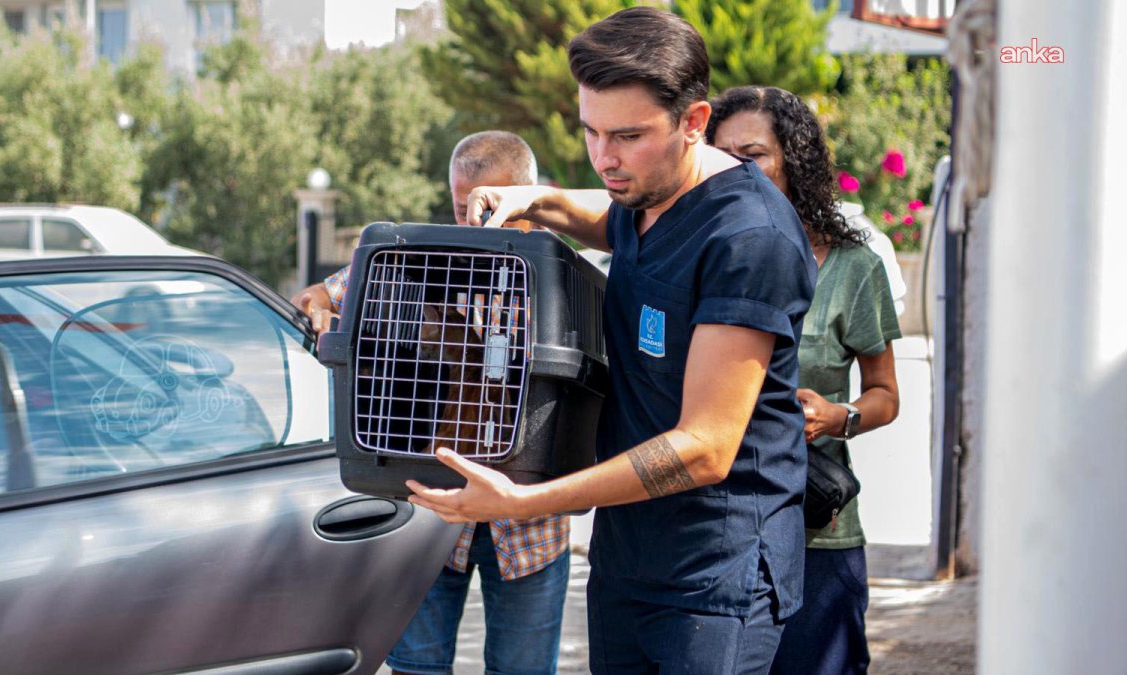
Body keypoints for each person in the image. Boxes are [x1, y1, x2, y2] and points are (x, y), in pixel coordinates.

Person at [407, 8, 817, 673]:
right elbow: (604, 214)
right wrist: (529, 200)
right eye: (591, 131)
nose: (604, 158)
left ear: (694, 121)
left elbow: (704, 448)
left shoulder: (748, 238)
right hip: (626, 560)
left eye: (627, 135)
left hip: (716, 575)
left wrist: (523, 502)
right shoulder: (644, 192)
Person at [291, 131, 572, 675]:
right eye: (462, 206)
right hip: (430, 511)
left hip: (531, 523)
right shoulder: (415, 260)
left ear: (526, 197)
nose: (473, 220)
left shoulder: (561, 276)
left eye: (488, 205)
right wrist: (319, 309)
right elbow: (319, 295)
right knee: (417, 667)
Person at [707, 85, 902, 674]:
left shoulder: (852, 267)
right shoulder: (701, 258)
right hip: (714, 530)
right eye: (722, 157)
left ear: (794, 161)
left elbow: (886, 395)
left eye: (754, 156)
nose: (737, 171)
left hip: (816, 530)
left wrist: (839, 416)